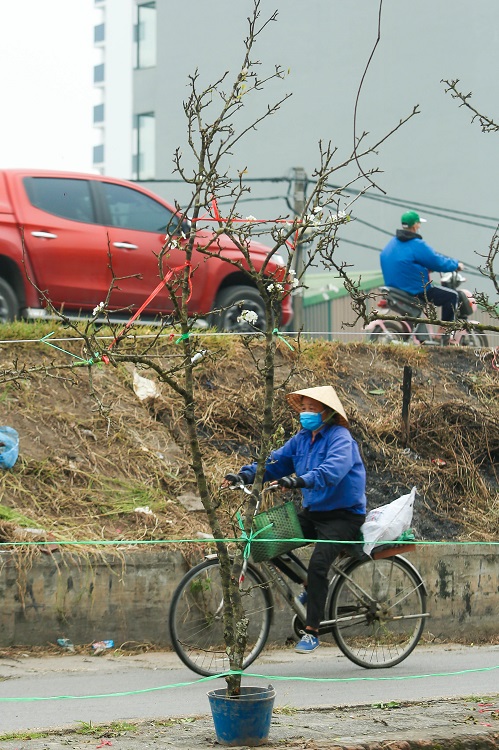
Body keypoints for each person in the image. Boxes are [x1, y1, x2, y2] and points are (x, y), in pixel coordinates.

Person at [224, 386, 366, 655]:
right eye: (303, 408)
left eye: (313, 409)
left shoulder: (340, 438)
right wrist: (244, 475)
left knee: (319, 562)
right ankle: (310, 586)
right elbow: (275, 462)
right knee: (266, 539)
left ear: (327, 413)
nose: (306, 414)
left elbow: (332, 470)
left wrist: (301, 479)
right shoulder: (301, 439)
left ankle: (312, 631)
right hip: (315, 511)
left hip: (344, 515)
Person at [380, 210, 464, 329]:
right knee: (452, 296)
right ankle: (443, 332)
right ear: (414, 225)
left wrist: (422, 269)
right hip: (415, 290)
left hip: (395, 289)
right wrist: (455, 265)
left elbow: (403, 263)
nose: (419, 226)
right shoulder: (416, 244)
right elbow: (436, 261)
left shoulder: (392, 243)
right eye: (419, 224)